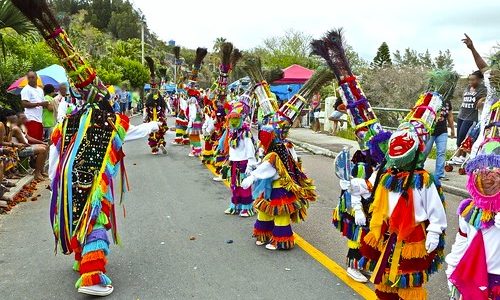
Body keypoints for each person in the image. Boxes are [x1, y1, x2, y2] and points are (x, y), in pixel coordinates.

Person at [242, 116, 317, 250]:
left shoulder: (276, 153)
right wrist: (253, 167)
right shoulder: (277, 148)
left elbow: (266, 168)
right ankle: (264, 235)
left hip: (279, 187)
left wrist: (251, 177)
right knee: (264, 212)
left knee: (280, 215)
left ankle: (281, 241)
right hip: (269, 186)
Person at [222, 102, 256, 217]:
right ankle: (235, 206)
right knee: (234, 185)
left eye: (236, 119)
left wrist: (250, 164)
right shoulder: (232, 133)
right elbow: (232, 149)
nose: (233, 122)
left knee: (244, 185)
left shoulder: (245, 133)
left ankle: (246, 208)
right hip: (234, 163)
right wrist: (229, 159)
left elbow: (250, 149)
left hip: (244, 163)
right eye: (231, 119)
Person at [453, 70, 487, 163]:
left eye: (473, 80)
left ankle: (460, 155)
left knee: (463, 136)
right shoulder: (468, 87)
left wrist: (482, 99)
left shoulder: (482, 89)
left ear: (479, 80)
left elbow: (486, 98)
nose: (471, 82)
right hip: (461, 115)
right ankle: (461, 157)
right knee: (459, 137)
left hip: (471, 117)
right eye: (470, 80)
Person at [423, 89, 455, 183]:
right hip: (430, 130)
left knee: (441, 152)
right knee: (425, 151)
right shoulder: (430, 99)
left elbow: (450, 116)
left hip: (442, 130)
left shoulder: (447, 101)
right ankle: (418, 168)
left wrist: (452, 129)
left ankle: (439, 174)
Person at [12, 113, 48, 181]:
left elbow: (28, 138)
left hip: (25, 147)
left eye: (25, 118)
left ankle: (41, 170)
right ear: (18, 119)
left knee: (45, 146)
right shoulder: (16, 128)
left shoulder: (22, 126)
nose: (25, 120)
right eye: (23, 118)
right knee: (42, 149)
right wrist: (36, 146)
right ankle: (37, 173)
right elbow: (24, 143)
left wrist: (41, 142)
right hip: (19, 150)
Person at [20, 70, 49, 141]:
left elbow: (42, 102)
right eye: (29, 78)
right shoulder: (26, 89)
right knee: (33, 143)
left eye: (32, 77)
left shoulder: (40, 90)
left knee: (39, 141)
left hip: (39, 120)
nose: (31, 79)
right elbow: (24, 104)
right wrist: (39, 104)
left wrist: (46, 104)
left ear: (36, 78)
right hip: (31, 119)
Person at [144, 87, 168, 155]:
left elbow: (145, 112)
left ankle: (154, 149)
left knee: (152, 134)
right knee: (160, 134)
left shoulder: (149, 101)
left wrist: (144, 119)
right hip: (160, 120)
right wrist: (165, 117)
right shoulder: (161, 100)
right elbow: (164, 111)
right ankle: (161, 143)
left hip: (151, 120)